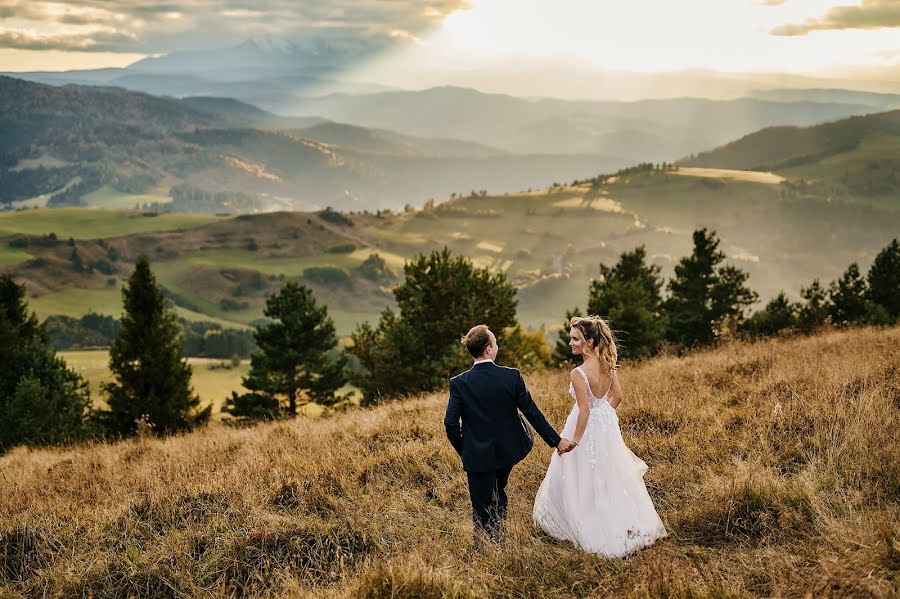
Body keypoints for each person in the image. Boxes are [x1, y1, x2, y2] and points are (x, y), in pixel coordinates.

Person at [532, 315, 667, 556]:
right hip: (605, 426)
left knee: (580, 473)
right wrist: (603, 415)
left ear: (590, 342)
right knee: (609, 473)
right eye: (571, 338)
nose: (571, 343)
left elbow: (584, 409)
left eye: (576, 339)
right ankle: (630, 525)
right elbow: (617, 397)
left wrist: (574, 440)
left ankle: (588, 522)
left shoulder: (578, 372)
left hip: (584, 427)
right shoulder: (607, 363)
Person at [444, 324, 574, 540]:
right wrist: (556, 441)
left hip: (477, 455)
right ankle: (499, 533)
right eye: (495, 342)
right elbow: (532, 413)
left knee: (482, 505)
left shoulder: (459, 383)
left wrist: (465, 449)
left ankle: (489, 542)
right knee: (498, 487)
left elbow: (450, 424)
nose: (497, 346)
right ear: (488, 349)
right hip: (508, 451)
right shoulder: (511, 376)